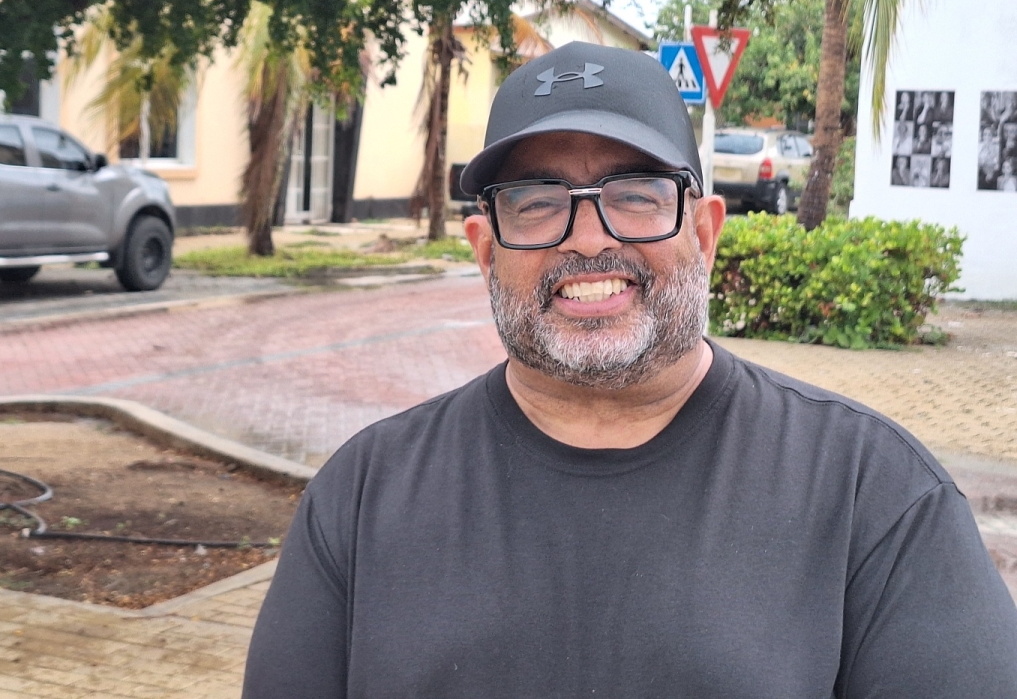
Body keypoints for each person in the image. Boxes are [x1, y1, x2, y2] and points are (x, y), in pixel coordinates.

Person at [243, 43, 1017, 698]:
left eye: (638, 195)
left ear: (704, 234)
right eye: (536, 201)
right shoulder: (361, 497)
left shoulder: (876, 498)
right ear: (484, 251)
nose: (587, 240)